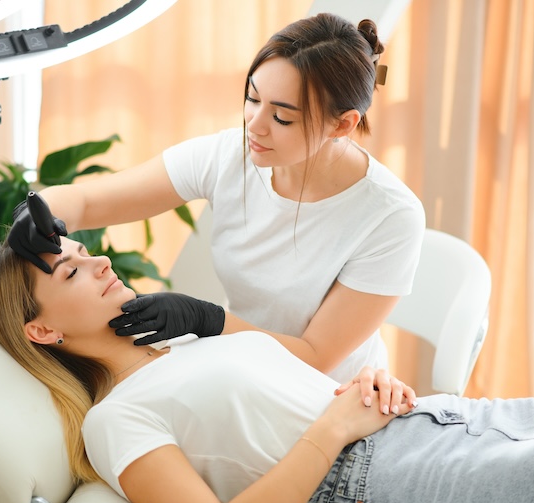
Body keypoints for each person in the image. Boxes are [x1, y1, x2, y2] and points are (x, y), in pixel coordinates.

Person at [0, 229, 534, 503]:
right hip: (381, 479)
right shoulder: (115, 422)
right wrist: (334, 428)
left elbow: (303, 368)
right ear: (42, 331)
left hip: (434, 423)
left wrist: (372, 387)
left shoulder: (176, 342)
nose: (102, 262)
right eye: (73, 272)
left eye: (85, 253)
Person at [35, 13, 427, 412]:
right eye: (253, 98)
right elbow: (87, 202)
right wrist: (36, 213)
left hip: (329, 402)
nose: (254, 125)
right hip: (240, 377)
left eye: (282, 117)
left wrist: (208, 320)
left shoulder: (390, 216)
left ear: (342, 125)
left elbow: (314, 357)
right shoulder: (228, 156)